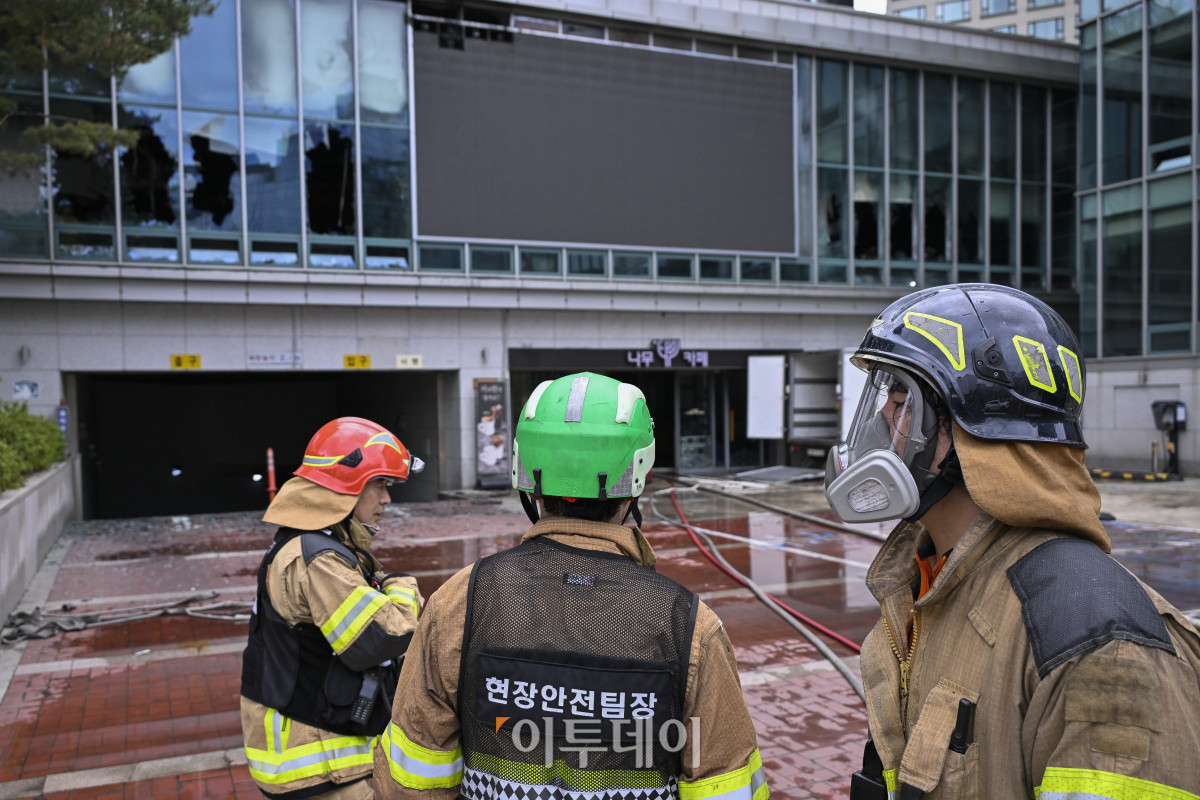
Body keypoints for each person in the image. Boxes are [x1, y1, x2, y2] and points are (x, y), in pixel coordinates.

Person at [824, 284, 1200, 799]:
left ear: (967, 426)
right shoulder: (931, 586)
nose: (879, 424)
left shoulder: (1096, 637)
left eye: (898, 401)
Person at [374, 372, 768, 800]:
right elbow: (725, 788)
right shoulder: (688, 625)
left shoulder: (461, 600)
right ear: (636, 477)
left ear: (526, 476)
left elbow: (411, 780)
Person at [241, 417, 426, 799]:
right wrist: (403, 587)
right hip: (318, 764)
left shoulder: (306, 545)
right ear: (346, 488)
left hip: (313, 755)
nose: (387, 500)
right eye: (381, 485)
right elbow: (381, 638)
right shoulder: (318, 559)